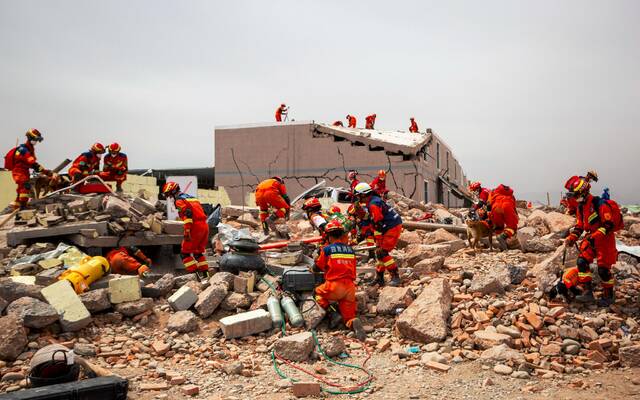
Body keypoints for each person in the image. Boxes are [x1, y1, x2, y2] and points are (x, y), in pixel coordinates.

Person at [564, 175, 621, 306]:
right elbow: (579, 226)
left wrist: (594, 236)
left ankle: (609, 295)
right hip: (591, 239)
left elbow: (608, 226)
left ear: (583, 192)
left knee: (603, 270)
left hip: (605, 240)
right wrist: (572, 237)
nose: (574, 198)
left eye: (576, 194)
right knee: (582, 261)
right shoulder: (580, 207)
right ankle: (587, 292)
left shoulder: (599, 204)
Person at [313, 220, 366, 341]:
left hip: (334, 286)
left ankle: (333, 314)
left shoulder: (327, 249)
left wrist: (313, 269)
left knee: (316, 293)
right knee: (348, 316)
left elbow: (318, 267)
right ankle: (352, 322)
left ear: (328, 236)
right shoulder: (350, 250)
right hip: (350, 288)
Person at [354, 182, 403, 286]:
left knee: (382, 252)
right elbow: (370, 220)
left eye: (358, 196)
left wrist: (378, 240)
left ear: (363, 195)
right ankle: (380, 278)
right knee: (379, 253)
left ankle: (395, 276)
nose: (358, 199)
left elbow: (378, 223)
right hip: (387, 226)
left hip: (391, 227)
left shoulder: (373, 205)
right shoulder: (372, 202)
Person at [162, 181, 210, 280]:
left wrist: (187, 231)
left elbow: (188, 214)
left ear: (172, 192)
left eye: (169, 195)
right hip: (204, 226)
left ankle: (196, 277)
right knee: (198, 253)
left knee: (185, 253)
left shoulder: (179, 200)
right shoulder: (191, 198)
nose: (170, 198)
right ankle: (206, 276)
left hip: (195, 227)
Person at [4, 129, 49, 211]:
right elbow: (33, 163)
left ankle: (17, 207)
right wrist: (46, 172)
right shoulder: (23, 150)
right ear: (30, 138)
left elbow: (33, 164)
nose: (36, 142)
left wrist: (43, 171)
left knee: (20, 190)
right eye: (35, 139)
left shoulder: (30, 149)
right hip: (19, 171)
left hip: (25, 171)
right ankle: (23, 206)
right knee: (25, 187)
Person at [488, 184, 519, 251]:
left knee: (499, 227)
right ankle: (503, 237)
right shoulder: (511, 195)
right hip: (507, 206)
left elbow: (488, 204)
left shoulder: (493, 192)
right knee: (512, 227)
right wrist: (516, 216)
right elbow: (514, 207)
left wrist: (490, 218)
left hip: (495, 207)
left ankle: (502, 247)